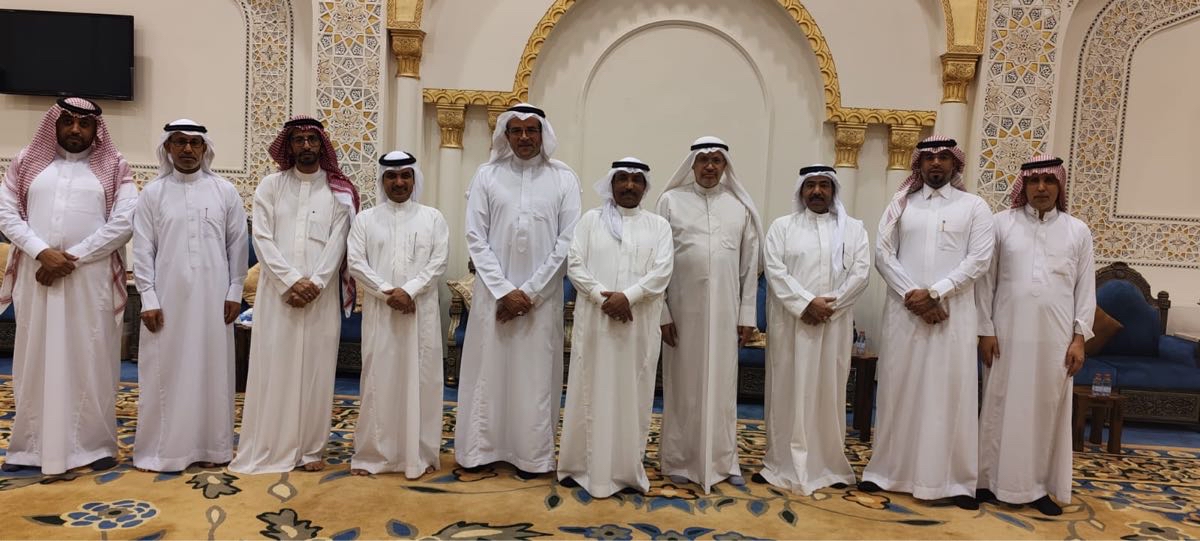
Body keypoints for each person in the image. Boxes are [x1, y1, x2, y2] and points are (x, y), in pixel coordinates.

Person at [0, 97, 137, 474]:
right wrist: (41, 252)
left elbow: (125, 221)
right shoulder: (27, 162)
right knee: (34, 358)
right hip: (37, 276)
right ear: (54, 124)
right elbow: (6, 213)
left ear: (96, 129)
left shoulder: (115, 167)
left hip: (89, 281)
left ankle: (94, 446)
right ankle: (29, 447)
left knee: (91, 357)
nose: (75, 129)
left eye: (84, 123)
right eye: (67, 121)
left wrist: (70, 258)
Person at [860, 136, 994, 510]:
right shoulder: (901, 204)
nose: (936, 162)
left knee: (950, 394)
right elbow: (883, 254)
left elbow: (979, 259)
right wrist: (915, 297)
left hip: (953, 316)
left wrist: (936, 292)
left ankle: (955, 481)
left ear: (955, 163)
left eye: (944, 157)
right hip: (906, 314)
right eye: (929, 157)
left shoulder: (974, 207)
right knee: (899, 389)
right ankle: (886, 472)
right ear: (919, 164)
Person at [456, 103, 582, 478]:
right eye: (517, 130)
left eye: (532, 130)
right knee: (488, 372)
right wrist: (503, 291)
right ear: (506, 135)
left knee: (534, 376)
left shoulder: (563, 178)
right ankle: (481, 450)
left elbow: (567, 241)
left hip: (541, 302)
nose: (525, 137)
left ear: (543, 134)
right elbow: (475, 237)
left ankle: (532, 456)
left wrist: (529, 293)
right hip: (493, 299)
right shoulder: (487, 175)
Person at [230, 115, 359, 474]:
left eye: (312, 139)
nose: (305, 146)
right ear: (288, 145)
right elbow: (262, 238)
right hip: (278, 296)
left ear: (321, 145)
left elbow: (339, 241)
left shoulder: (338, 191)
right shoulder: (271, 186)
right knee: (275, 368)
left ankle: (310, 449)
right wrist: (290, 282)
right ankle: (270, 444)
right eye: (298, 140)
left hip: (320, 298)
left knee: (316, 371)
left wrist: (315, 283)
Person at [975, 155, 1095, 516]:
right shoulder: (1001, 224)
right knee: (999, 405)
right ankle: (988, 482)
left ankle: (1039, 487)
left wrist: (1079, 339)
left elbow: (1085, 289)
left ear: (1060, 185)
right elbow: (986, 282)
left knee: (1046, 410)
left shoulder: (1077, 231)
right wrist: (985, 330)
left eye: (1049, 180)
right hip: (1006, 335)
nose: (1041, 188)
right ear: (1023, 186)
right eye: (1033, 181)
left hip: (1055, 340)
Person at [131, 119, 248, 472]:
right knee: (165, 371)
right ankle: (162, 451)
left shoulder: (224, 191)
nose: (187, 149)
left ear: (205, 149)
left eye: (195, 143)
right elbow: (143, 249)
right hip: (167, 298)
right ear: (167, 147)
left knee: (213, 370)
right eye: (179, 142)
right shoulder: (153, 193)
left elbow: (237, 244)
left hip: (215, 298)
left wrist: (235, 290)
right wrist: (148, 298)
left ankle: (213, 448)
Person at [558, 158, 673, 497]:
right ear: (611, 184)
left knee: (632, 395)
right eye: (622, 179)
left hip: (638, 327)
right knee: (588, 389)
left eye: (636, 180)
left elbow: (662, 271)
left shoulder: (658, 226)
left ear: (645, 187)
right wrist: (602, 297)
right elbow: (575, 264)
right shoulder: (590, 221)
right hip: (596, 322)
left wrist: (629, 297)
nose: (629, 185)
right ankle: (578, 466)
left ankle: (625, 471)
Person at [656, 136, 762, 492]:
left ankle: (723, 461)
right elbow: (657, 263)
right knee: (682, 387)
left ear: (725, 165)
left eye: (717, 160)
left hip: (726, 314)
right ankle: (678, 459)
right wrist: (662, 312)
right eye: (704, 160)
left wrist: (747, 315)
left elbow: (749, 267)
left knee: (723, 389)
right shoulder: (671, 201)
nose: (710, 166)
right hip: (681, 313)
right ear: (692, 164)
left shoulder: (739, 206)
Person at [756, 164, 870, 494]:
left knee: (827, 393)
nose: (817, 191)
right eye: (810, 186)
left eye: (824, 185)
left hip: (833, 325)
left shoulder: (854, 230)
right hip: (791, 325)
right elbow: (774, 271)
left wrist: (827, 307)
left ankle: (827, 465)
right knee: (786, 391)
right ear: (801, 191)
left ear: (833, 191)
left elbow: (861, 274)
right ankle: (780, 463)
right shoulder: (782, 227)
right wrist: (806, 303)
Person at [347, 151, 448, 478]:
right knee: (379, 380)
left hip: (420, 314)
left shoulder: (433, 217)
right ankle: (373, 455)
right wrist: (389, 292)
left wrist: (411, 291)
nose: (399, 182)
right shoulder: (365, 219)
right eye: (391, 176)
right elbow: (356, 263)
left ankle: (420, 454)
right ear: (382, 180)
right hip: (382, 314)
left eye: (405, 175)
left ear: (414, 179)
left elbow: (438, 262)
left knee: (422, 381)